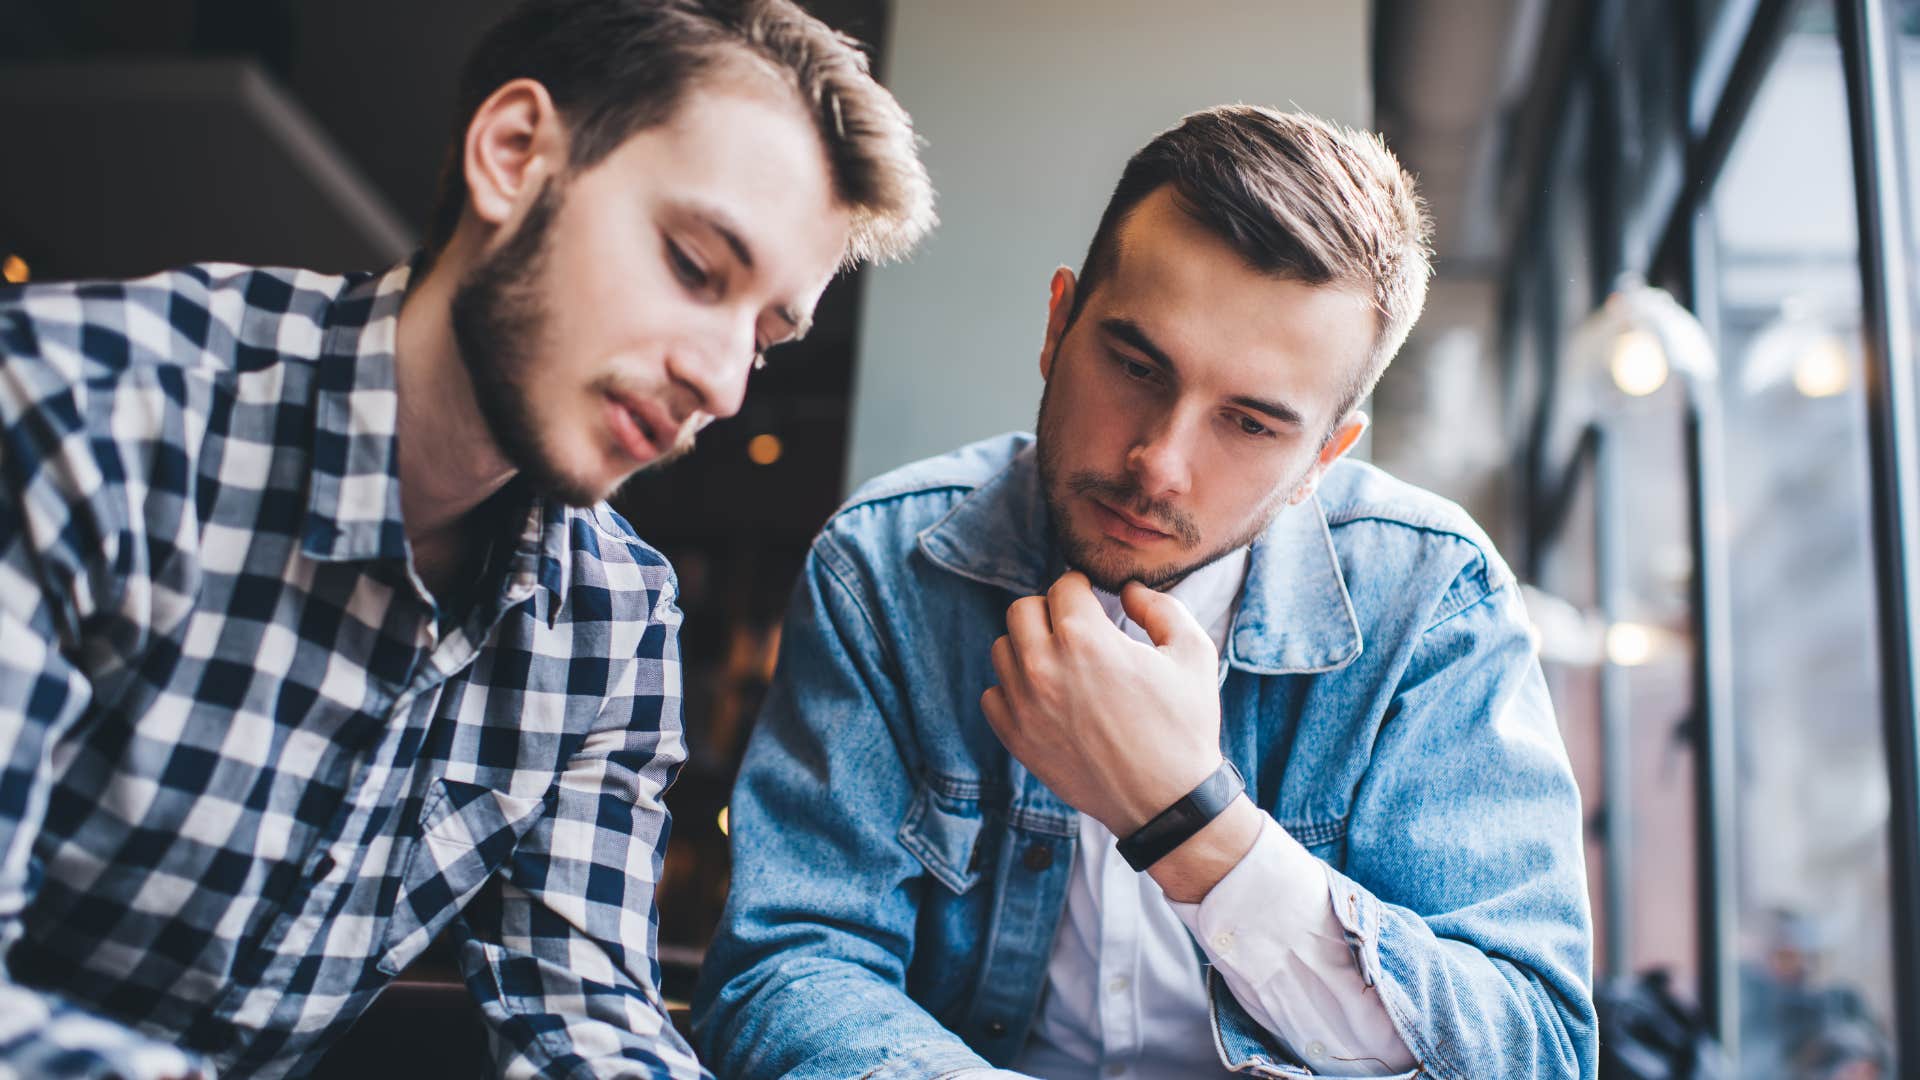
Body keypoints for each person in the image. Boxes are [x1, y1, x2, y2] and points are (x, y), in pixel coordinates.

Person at [0, 1, 932, 1076]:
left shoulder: (614, 619)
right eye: (692, 265)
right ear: (513, 156)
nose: (721, 385)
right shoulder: (81, 416)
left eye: (764, 338)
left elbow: (585, 1011)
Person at [694, 105, 1596, 1079]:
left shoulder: (1429, 601)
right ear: (1058, 324)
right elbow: (784, 972)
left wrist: (1190, 822)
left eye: (1250, 425)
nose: (1158, 463)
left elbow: (1533, 1050)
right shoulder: (887, 564)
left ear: (1321, 460)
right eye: (1135, 366)